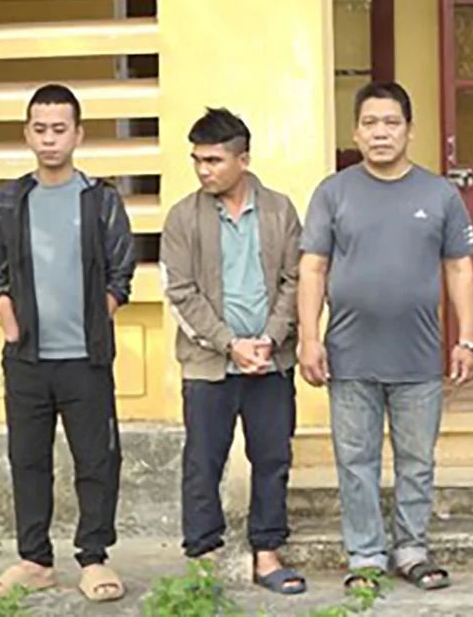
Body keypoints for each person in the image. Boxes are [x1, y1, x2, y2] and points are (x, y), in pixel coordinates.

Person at [297, 81, 473, 593]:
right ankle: (365, 556)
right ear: (356, 132)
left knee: (416, 461)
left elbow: (460, 269)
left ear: (410, 130)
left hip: (418, 357)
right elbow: (312, 268)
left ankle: (412, 550)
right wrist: (309, 337)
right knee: (356, 462)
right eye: (370, 123)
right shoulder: (333, 192)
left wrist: (467, 339)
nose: (381, 133)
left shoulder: (439, 194)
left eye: (391, 123)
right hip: (349, 355)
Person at [0, 84, 136, 603]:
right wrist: (8, 319)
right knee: (28, 460)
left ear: (78, 134)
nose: (50, 139)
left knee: (97, 461)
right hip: (26, 359)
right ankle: (34, 560)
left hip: (85, 359)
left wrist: (99, 316)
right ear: (27, 134)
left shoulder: (100, 199)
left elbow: (121, 271)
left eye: (60, 129)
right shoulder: (7, 202)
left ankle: (94, 557)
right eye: (40, 129)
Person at [159, 108, 305, 595]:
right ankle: (203, 559)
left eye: (214, 160)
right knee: (204, 462)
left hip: (271, 360)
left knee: (272, 457)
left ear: (243, 160)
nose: (203, 170)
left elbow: (295, 280)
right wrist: (229, 343)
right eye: (197, 160)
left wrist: (271, 338)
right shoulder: (183, 216)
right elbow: (179, 292)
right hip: (209, 364)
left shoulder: (280, 210)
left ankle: (267, 553)